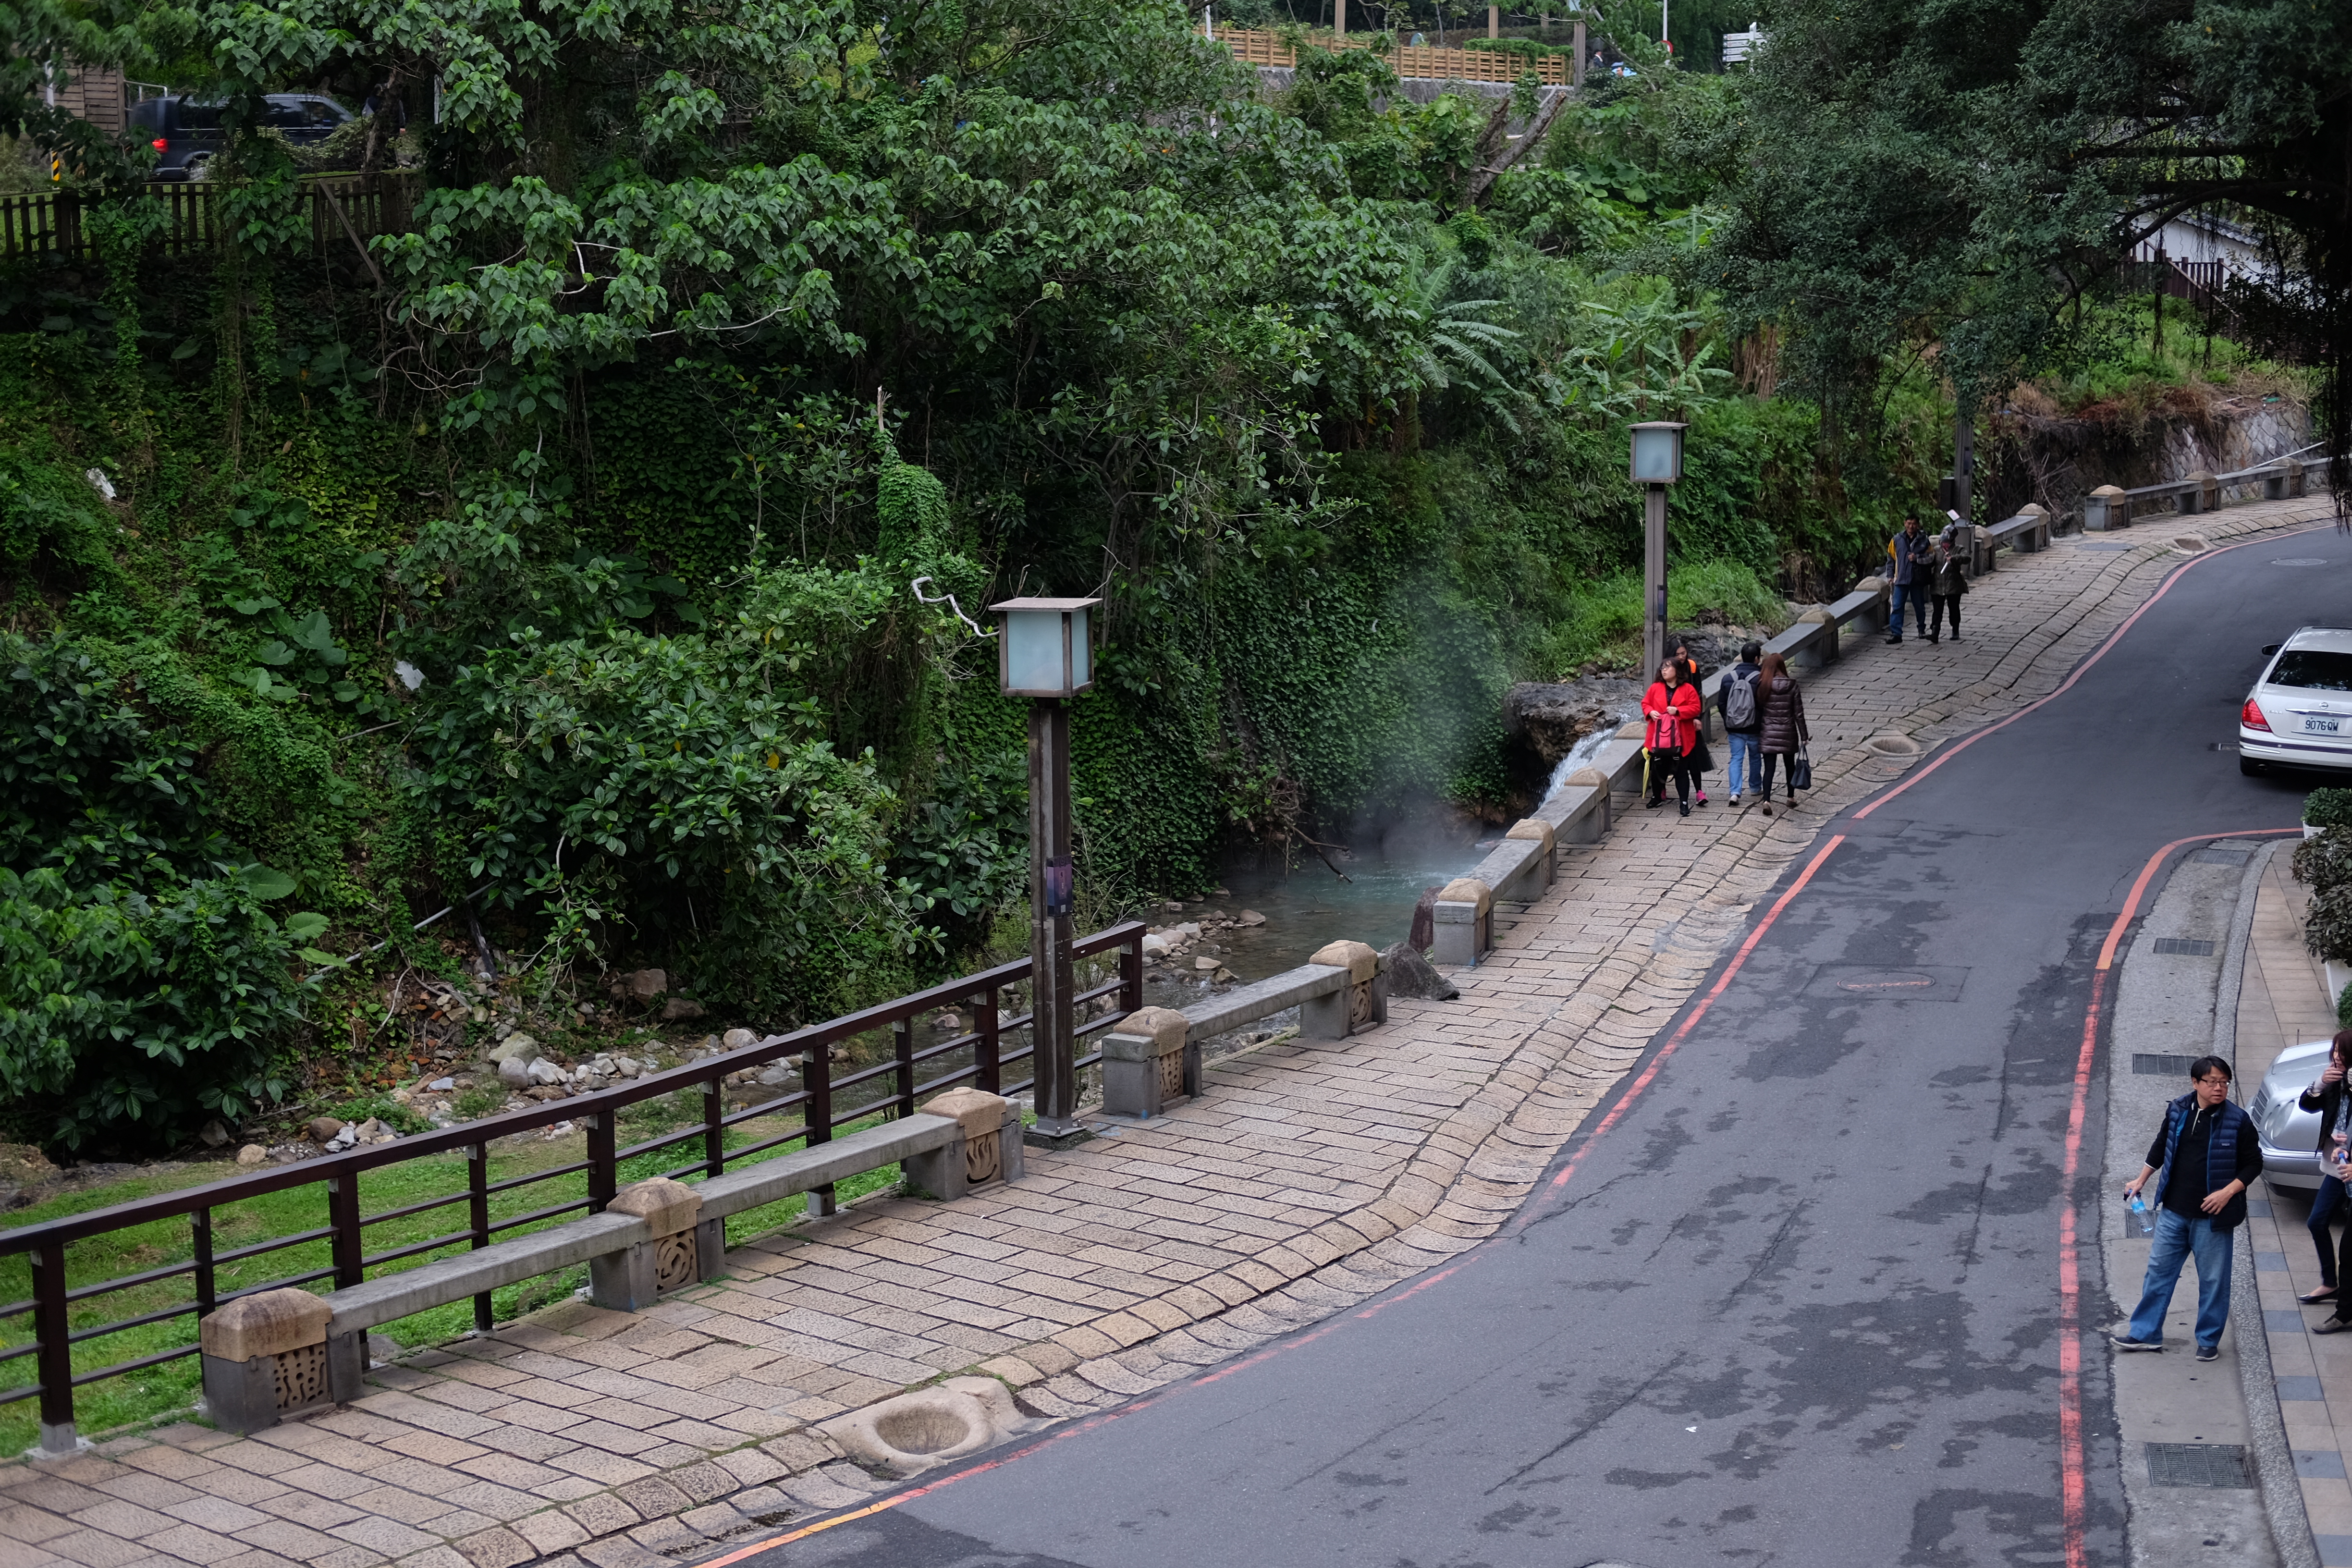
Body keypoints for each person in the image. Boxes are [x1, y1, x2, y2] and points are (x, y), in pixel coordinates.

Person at [2114, 1056, 2261, 1360]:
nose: (2219, 1088)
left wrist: (2227, 1193)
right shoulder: (2178, 1110)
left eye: (2224, 1082)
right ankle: (2145, 1334)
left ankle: (2208, 1340)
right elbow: (2162, 1145)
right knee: (2158, 1273)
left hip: (2213, 1218)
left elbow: (2254, 1164)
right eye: (2212, 1082)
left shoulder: (2238, 1121)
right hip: (2173, 1212)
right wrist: (2141, 1180)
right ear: (2195, 1083)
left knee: (2213, 1281)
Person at [2300, 1031, 2352, 1316]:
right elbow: (2307, 1105)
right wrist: (2320, 1083)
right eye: (2334, 1051)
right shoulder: (2333, 1080)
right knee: (2317, 1222)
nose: (2335, 1057)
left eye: (2341, 1053)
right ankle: (2330, 1283)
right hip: (2336, 1168)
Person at [1641, 657, 1700, 817]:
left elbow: (1696, 708)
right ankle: (1656, 797)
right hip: (1659, 736)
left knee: (1681, 770)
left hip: (1681, 737)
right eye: (1663, 668)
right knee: (1657, 768)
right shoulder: (1655, 688)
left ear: (1677, 670)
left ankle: (1684, 803)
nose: (1664, 670)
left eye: (1668, 667)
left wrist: (1679, 711)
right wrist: (1650, 712)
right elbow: (1645, 703)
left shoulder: (1688, 689)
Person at [1754, 649, 1808, 816]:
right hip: (1788, 731)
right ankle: (1791, 797)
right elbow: (1799, 713)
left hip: (1768, 731)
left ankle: (1767, 800)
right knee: (1790, 766)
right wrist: (1804, 736)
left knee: (1769, 769)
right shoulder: (1792, 685)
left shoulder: (1763, 685)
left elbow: (1758, 710)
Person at [1716, 639, 1765, 807]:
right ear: (1757, 659)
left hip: (1734, 727)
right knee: (1755, 757)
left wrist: (1729, 719)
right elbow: (1764, 703)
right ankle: (1755, 787)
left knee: (1736, 758)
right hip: (1754, 727)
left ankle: (1735, 792)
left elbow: (1721, 703)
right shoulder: (1760, 678)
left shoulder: (1728, 678)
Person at [1669, 639, 1714, 806]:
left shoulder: (1692, 666)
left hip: (1689, 717)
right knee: (1670, 756)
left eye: (1684, 653)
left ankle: (1699, 791)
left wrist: (1698, 717)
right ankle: (1662, 789)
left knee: (1694, 756)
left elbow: (1698, 692)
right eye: (1678, 654)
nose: (1681, 657)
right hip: (1672, 722)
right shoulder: (1667, 668)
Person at [1886, 514, 1931, 644]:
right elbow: (1891, 559)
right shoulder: (1896, 540)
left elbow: (1931, 557)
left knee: (1919, 606)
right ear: (1905, 523)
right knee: (1897, 606)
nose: (1911, 526)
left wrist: (1917, 558)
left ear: (1918, 525)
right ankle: (1896, 634)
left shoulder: (1924, 540)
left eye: (1914, 524)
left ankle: (1921, 629)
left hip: (1917, 579)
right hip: (1901, 578)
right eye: (1909, 523)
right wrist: (1890, 575)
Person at [1928, 525, 1969, 644]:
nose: (1945, 544)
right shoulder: (1936, 550)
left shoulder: (1959, 549)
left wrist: (1954, 558)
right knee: (1937, 610)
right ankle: (1935, 632)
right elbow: (1930, 562)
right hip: (1938, 583)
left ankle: (1955, 629)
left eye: (1947, 541)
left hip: (1953, 584)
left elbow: (1967, 558)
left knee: (1954, 608)